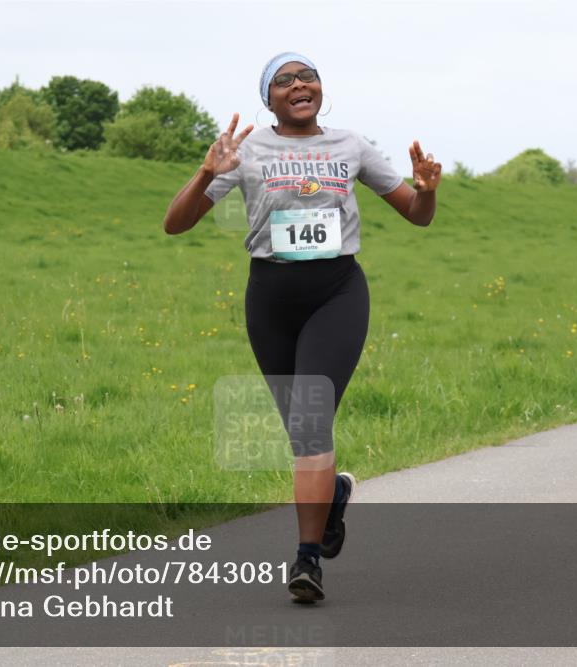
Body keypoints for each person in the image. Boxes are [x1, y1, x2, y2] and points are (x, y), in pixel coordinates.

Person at [162, 52, 441, 602]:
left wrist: (427, 188)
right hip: (269, 298)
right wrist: (204, 173)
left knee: (312, 426)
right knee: (301, 432)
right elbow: (175, 224)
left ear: (320, 88)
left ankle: (307, 560)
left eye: (306, 76)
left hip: (336, 293)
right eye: (283, 81)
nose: (298, 85)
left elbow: (417, 213)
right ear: (268, 99)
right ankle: (331, 494)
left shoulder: (351, 146)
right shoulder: (246, 153)